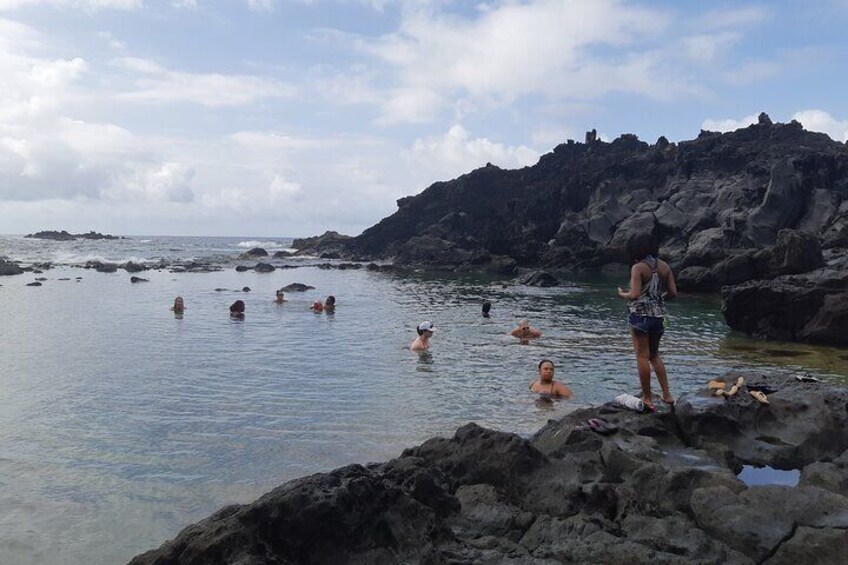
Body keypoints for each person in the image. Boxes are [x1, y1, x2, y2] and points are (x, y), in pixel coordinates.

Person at [617, 233, 678, 410]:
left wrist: (622, 294)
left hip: (640, 316)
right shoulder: (665, 266)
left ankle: (647, 397)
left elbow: (635, 294)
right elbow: (673, 293)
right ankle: (667, 395)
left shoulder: (638, 268)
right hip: (659, 317)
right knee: (654, 355)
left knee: (642, 356)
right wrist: (659, 301)